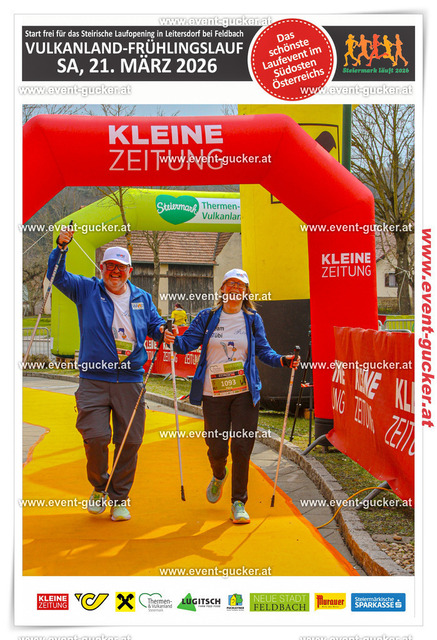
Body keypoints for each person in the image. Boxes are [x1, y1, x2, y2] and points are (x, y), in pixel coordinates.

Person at [47, 228, 166, 522]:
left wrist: (164, 330)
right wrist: (61, 248)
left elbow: (155, 326)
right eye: (110, 266)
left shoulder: (142, 298)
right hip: (94, 379)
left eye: (120, 267)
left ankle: (120, 497)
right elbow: (57, 277)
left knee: (131, 440)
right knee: (96, 437)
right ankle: (100, 487)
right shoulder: (87, 290)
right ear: (101, 268)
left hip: (130, 380)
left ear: (129, 271)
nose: (115, 271)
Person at [164, 268, 299, 524]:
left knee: (241, 447)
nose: (235, 289)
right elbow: (185, 345)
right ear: (222, 289)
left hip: (244, 393)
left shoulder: (252, 319)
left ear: (246, 291)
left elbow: (264, 350)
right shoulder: (207, 317)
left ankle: (239, 502)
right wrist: (170, 336)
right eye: (231, 284)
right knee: (216, 448)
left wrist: (283, 360)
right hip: (213, 393)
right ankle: (219, 474)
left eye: (240, 285)